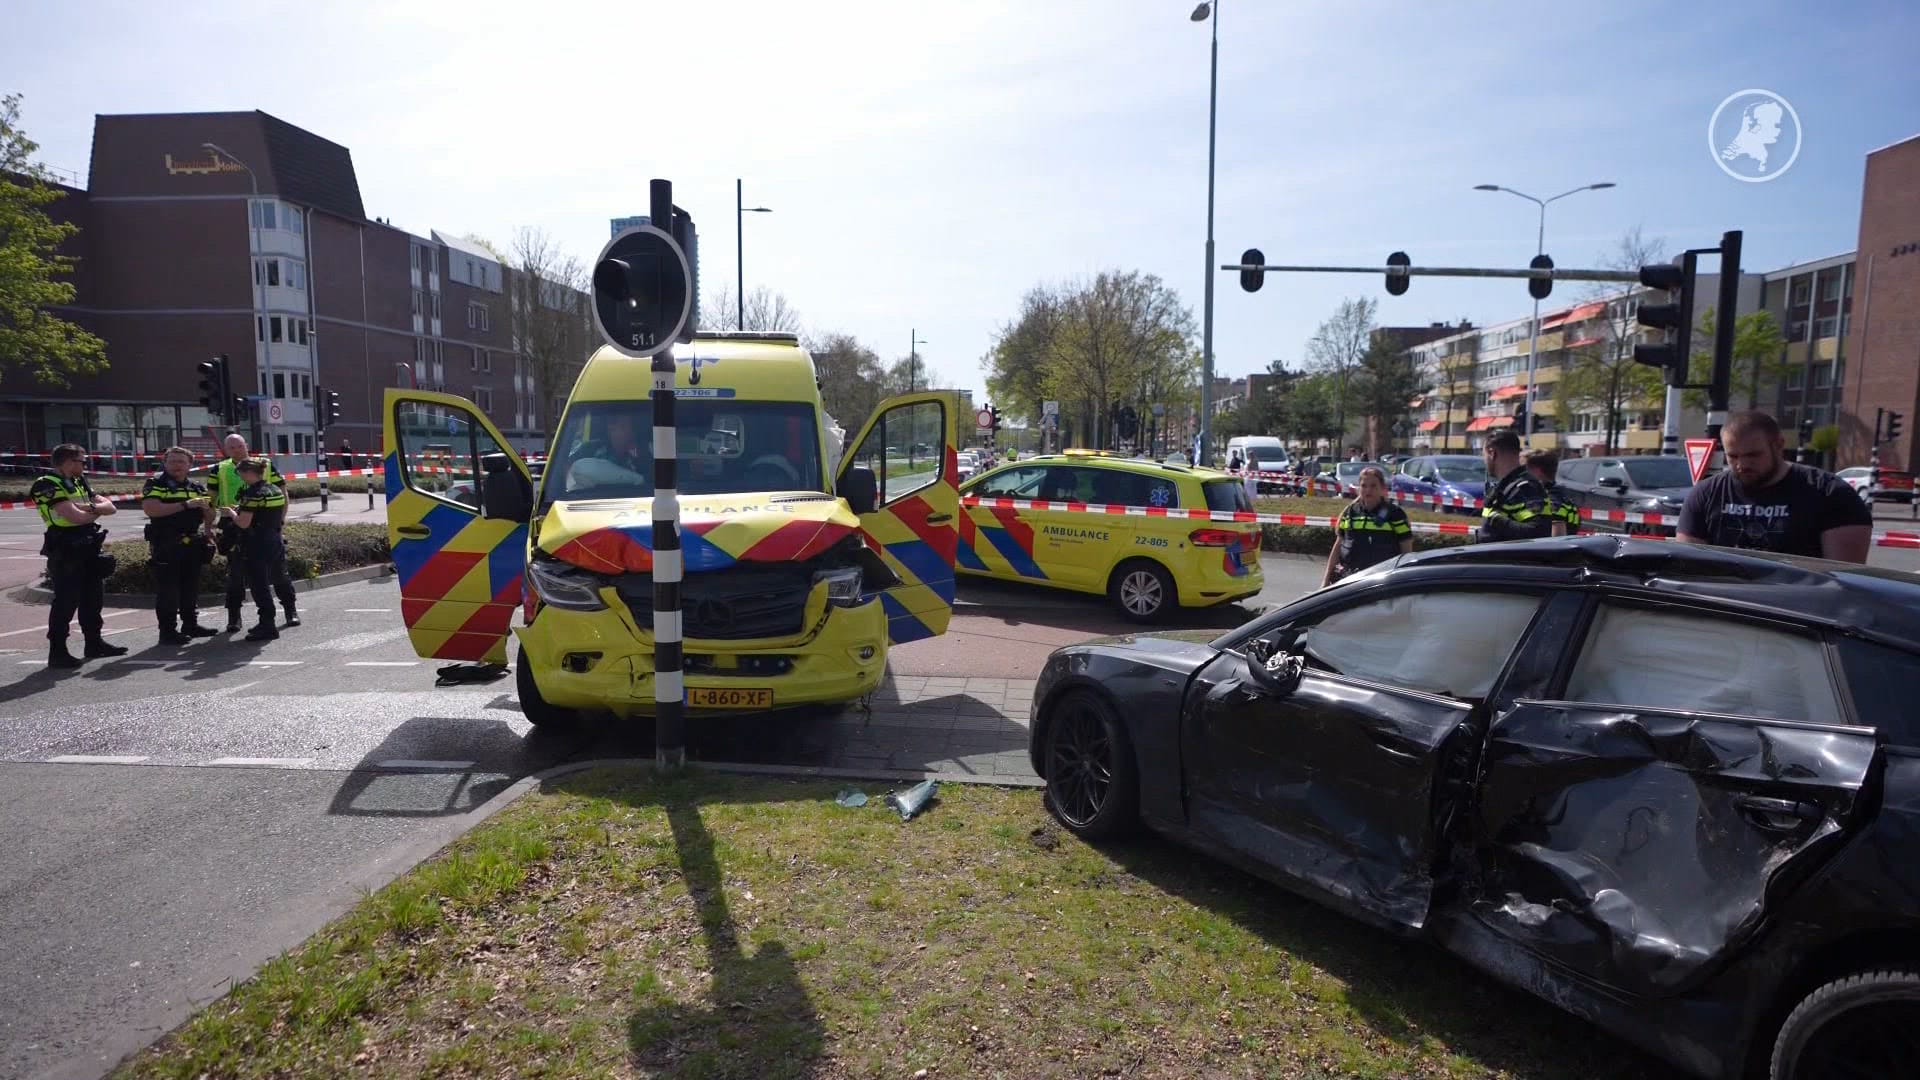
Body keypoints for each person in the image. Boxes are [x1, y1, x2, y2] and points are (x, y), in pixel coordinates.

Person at [1677, 410, 1872, 562]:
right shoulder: (1706, 494)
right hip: (1725, 606)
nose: (1742, 465)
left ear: (1779, 445)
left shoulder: (1832, 494)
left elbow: (1843, 580)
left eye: (1753, 455)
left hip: (1795, 609)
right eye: (1733, 456)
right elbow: (1689, 566)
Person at [31, 444, 128, 668]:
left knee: (93, 598)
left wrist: (89, 509)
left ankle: (94, 643)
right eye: (81, 461)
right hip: (65, 546)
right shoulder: (46, 484)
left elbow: (111, 507)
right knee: (66, 601)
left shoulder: (78, 481)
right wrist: (93, 511)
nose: (85, 465)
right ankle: (58, 651)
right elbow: (73, 517)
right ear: (67, 461)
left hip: (88, 544)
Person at [213, 433, 296, 631]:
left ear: (246, 446)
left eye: (239, 446)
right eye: (231, 447)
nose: (236, 450)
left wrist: (234, 512)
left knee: (267, 579)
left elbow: (283, 494)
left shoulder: (262, 474)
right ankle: (235, 617)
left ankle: (279, 616)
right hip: (245, 531)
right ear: (226, 450)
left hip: (252, 531)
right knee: (236, 577)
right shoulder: (220, 469)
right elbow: (212, 496)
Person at [142, 447, 219, 644]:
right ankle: (167, 632)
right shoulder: (156, 484)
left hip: (193, 542)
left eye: (181, 462)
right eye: (173, 461)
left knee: (190, 587)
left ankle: (190, 625)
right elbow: (151, 509)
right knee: (168, 590)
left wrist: (207, 512)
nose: (177, 465)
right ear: (165, 463)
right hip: (167, 543)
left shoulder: (196, 486)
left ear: (189, 465)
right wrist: (186, 505)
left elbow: (209, 514)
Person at [226, 458, 291, 641]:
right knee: (277, 577)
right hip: (275, 540)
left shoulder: (252, 494)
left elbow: (244, 523)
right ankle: (272, 620)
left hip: (256, 544)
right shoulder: (274, 489)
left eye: (239, 473)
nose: (240, 477)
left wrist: (232, 513)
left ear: (246, 473)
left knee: (259, 586)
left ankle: (267, 624)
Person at [1322, 466, 1414, 586]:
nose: (1368, 490)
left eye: (1373, 486)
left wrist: (1402, 581)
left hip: (1382, 582)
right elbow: (1338, 545)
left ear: (1382, 488)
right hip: (1348, 580)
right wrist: (1326, 580)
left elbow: (1406, 550)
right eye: (1364, 486)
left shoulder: (1395, 514)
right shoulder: (1350, 512)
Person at [1478, 430, 1555, 543]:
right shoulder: (1507, 486)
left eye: (1484, 456)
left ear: (1492, 453)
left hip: (1511, 560)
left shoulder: (1526, 487)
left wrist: (1495, 519)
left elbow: (1539, 532)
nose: (1484, 461)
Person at [1524, 448, 1581, 537]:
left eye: (1526, 470)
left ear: (1537, 471)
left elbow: (1556, 540)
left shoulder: (1553, 500)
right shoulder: (1561, 495)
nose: (1523, 474)